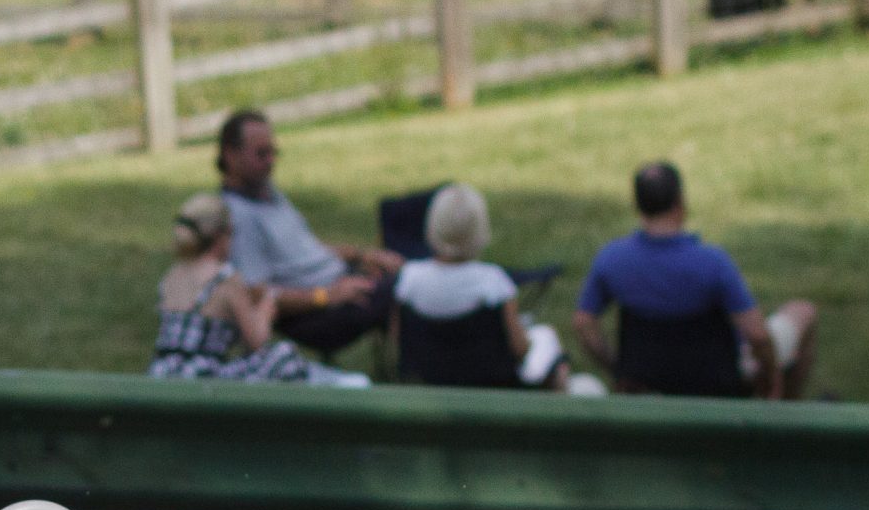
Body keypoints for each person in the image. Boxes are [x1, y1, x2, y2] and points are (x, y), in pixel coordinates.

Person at [570, 161, 818, 399]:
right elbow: (758, 336)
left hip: (643, 381)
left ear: (638, 205)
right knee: (803, 312)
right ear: (680, 202)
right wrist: (771, 376)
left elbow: (583, 323)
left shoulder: (612, 260)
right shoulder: (713, 263)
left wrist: (618, 368)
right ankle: (783, 419)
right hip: (719, 382)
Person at [216, 108, 402, 353]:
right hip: (319, 312)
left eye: (273, 152)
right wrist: (326, 295)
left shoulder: (266, 193)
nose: (271, 161)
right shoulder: (239, 217)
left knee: (407, 260)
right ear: (230, 156)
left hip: (342, 281)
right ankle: (416, 373)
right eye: (262, 154)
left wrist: (362, 255)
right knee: (411, 284)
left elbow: (306, 250)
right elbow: (256, 293)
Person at [391, 182, 577, 392]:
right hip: (493, 386)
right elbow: (520, 349)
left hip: (429, 379)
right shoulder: (493, 283)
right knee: (546, 337)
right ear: (480, 229)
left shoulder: (408, 279)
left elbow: (399, 339)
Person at [148, 192, 318, 383]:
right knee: (284, 355)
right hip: (200, 378)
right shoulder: (225, 278)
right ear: (222, 235)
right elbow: (256, 342)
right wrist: (268, 304)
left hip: (161, 372)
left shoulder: (174, 274)